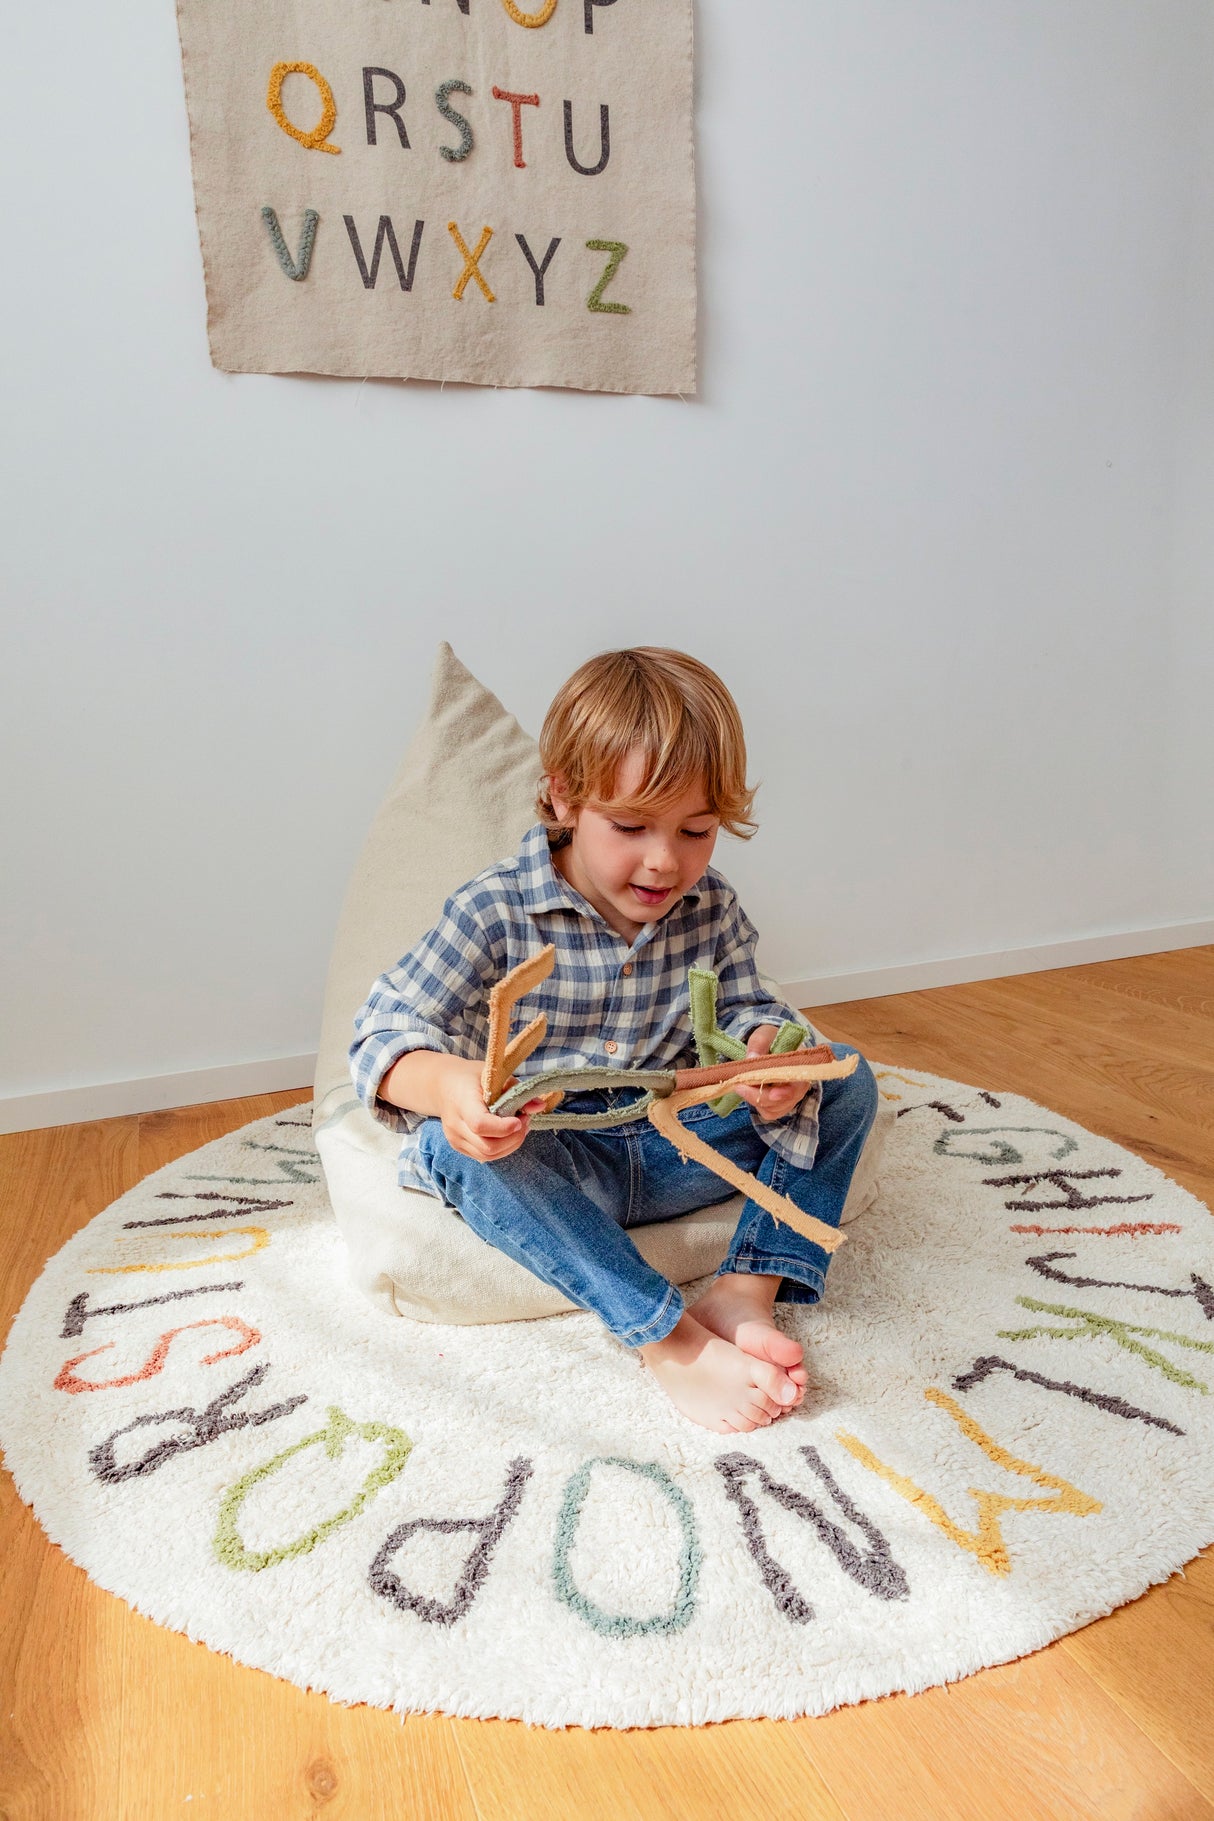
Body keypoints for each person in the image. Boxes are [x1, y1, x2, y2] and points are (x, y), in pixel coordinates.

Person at [350, 648, 877, 1434]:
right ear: (564, 797)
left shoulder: (710, 907)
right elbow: (382, 1030)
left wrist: (766, 1053)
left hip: (679, 1150)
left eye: (696, 830)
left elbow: (744, 1005)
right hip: (558, 1161)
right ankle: (667, 1338)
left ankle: (747, 1288)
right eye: (631, 826)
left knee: (845, 1078)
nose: (665, 860)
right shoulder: (494, 910)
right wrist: (450, 1087)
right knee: (449, 1152)